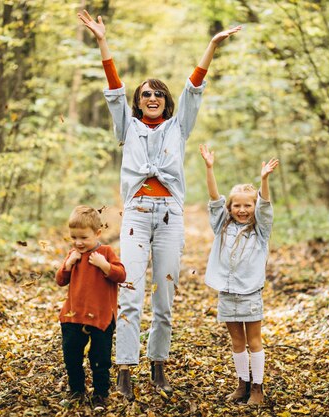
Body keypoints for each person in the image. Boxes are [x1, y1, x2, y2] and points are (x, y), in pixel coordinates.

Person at [77, 9, 242, 399]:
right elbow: (114, 88)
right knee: (131, 292)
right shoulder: (128, 126)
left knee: (164, 295)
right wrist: (103, 41)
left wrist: (212, 46)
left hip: (170, 216)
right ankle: (125, 370)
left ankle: (159, 367)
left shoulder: (177, 127)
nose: (152, 97)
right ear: (138, 102)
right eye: (145, 94)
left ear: (166, 101)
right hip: (136, 216)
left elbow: (194, 90)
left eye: (158, 94)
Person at [199, 144, 279, 405]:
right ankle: (242, 383)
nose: (242, 210)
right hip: (227, 291)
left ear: (253, 207)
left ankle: (258, 387)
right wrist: (210, 168)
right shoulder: (223, 226)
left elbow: (265, 205)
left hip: (250, 291)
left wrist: (263, 180)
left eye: (248, 205)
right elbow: (214, 199)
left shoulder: (260, 230)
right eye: (237, 206)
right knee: (236, 341)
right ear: (231, 208)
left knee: (254, 340)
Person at [55, 205, 126, 408]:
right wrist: (68, 265)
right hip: (74, 315)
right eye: (74, 237)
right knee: (72, 356)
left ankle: (101, 394)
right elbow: (60, 280)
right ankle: (76, 390)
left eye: (84, 238)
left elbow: (121, 275)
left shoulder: (105, 252)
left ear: (97, 234)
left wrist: (104, 265)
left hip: (101, 317)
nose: (78, 242)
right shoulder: (73, 254)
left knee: (100, 358)